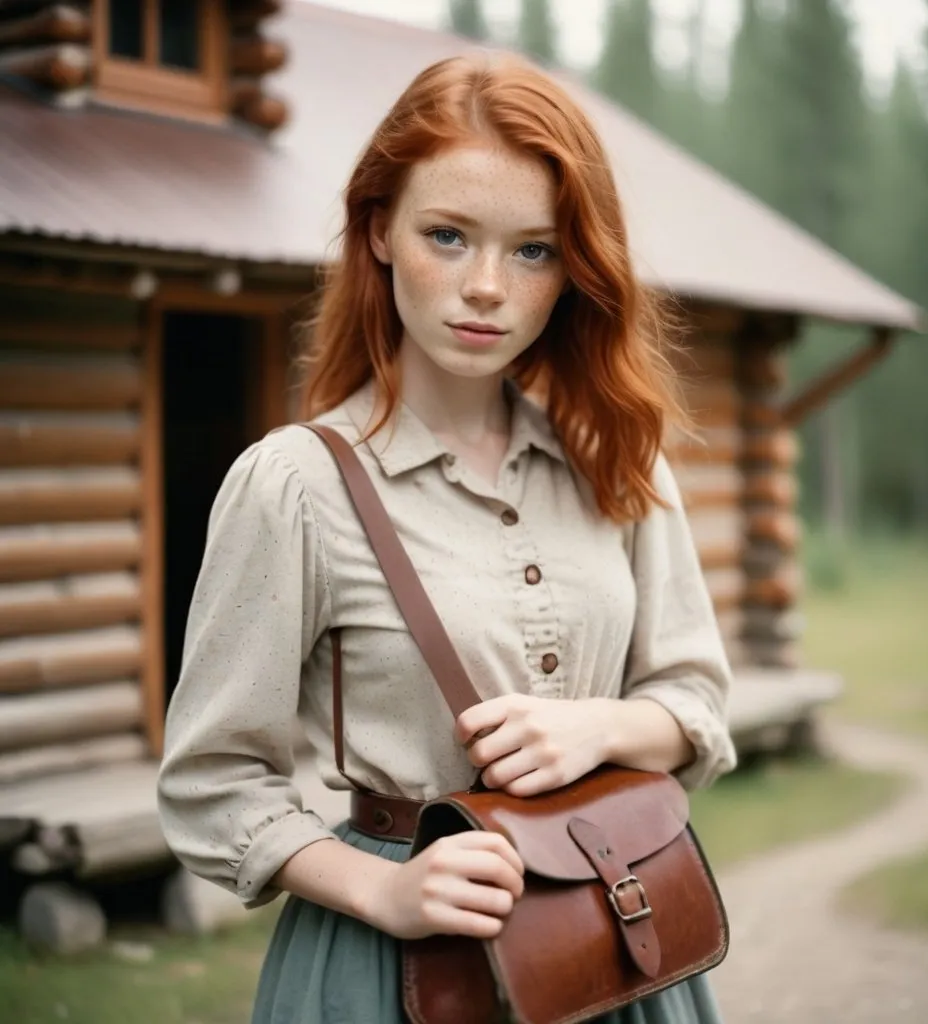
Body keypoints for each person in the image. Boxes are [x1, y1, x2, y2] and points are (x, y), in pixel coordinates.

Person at [157, 52, 737, 1024]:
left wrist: (593, 727)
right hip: (397, 966)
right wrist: (383, 889)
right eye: (447, 235)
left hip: (616, 938)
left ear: (573, 269)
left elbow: (696, 701)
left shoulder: (620, 462)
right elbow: (212, 783)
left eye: (532, 251)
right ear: (378, 230)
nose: (484, 287)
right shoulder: (293, 485)